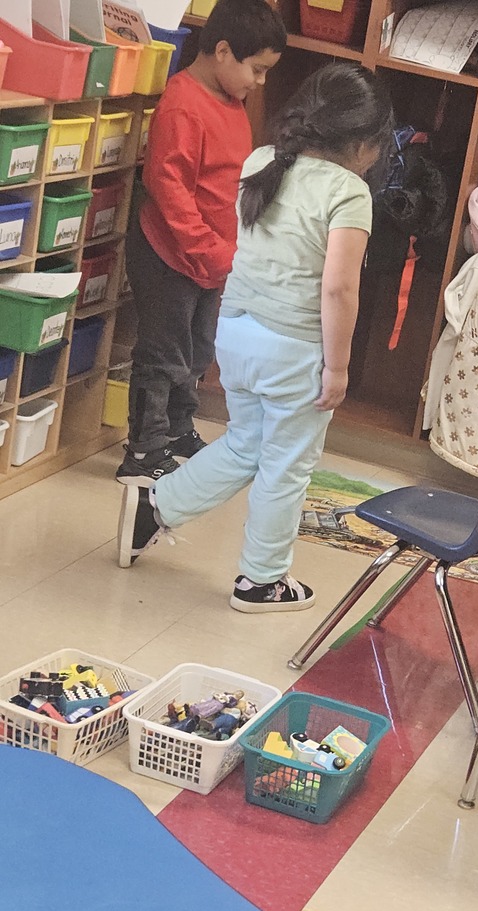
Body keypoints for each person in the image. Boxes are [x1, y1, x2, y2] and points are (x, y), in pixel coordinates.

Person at [116, 63, 393, 613]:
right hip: (295, 349)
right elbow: (338, 289)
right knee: (287, 466)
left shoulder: (263, 161)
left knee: (247, 444)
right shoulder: (349, 192)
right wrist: (338, 368)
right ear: (364, 142)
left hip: (237, 334)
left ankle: (155, 506)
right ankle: (262, 581)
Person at [116, 0, 286, 486]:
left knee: (196, 349)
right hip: (170, 255)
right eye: (257, 69)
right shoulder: (183, 103)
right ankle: (143, 451)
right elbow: (168, 188)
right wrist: (206, 248)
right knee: (162, 353)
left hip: (212, 259)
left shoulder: (231, 102)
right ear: (224, 51)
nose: (260, 82)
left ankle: (176, 428)